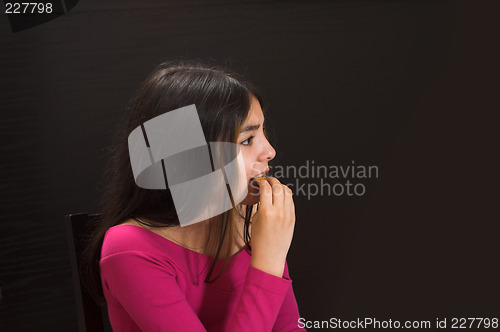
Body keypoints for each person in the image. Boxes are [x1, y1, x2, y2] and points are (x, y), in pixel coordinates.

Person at [82, 59, 305, 331]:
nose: (270, 151)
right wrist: (269, 259)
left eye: (262, 132)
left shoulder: (250, 218)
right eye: (247, 140)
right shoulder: (131, 249)